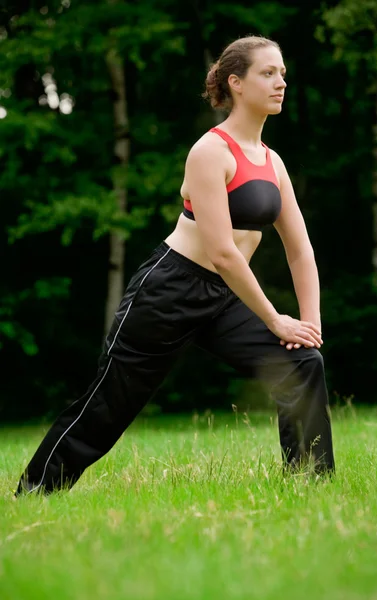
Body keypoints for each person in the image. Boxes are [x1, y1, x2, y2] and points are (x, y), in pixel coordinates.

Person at [16, 35, 334, 495]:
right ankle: (34, 492)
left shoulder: (272, 162)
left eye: (283, 73)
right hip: (167, 291)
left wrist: (309, 322)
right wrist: (275, 319)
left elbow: (300, 249)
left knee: (303, 362)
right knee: (109, 406)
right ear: (236, 83)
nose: (281, 82)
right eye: (268, 73)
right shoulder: (210, 152)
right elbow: (223, 251)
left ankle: (310, 484)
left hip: (225, 297)